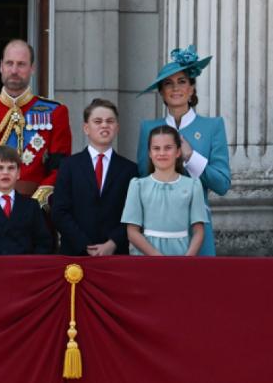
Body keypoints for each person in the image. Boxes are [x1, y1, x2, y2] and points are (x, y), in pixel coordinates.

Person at [136, 45, 230, 256]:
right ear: (161, 91)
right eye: (168, 83)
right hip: (156, 229)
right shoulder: (148, 129)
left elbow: (222, 184)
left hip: (195, 227)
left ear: (192, 89)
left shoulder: (212, 126)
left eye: (182, 81)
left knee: (196, 288)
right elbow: (143, 178)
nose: (175, 88)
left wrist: (190, 156)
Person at [0, 39, 71, 208]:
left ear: (32, 68)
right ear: (1, 67)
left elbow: (60, 169)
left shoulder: (55, 112)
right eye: (9, 63)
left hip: (37, 215)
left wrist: (34, 204)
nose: (14, 70)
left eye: (21, 64)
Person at [52, 99, 139, 256]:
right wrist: (84, 244)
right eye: (98, 121)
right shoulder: (68, 166)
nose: (104, 125)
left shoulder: (130, 169)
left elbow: (133, 215)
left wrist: (112, 243)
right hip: (75, 253)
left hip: (115, 254)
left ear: (117, 128)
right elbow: (59, 211)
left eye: (110, 121)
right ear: (86, 128)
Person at [123, 126, 208, 256]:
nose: (162, 153)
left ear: (178, 152)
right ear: (150, 153)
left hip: (181, 254)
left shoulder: (193, 185)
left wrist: (187, 259)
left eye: (168, 148)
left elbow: (199, 231)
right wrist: (158, 258)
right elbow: (132, 232)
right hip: (146, 256)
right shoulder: (138, 185)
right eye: (156, 148)